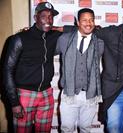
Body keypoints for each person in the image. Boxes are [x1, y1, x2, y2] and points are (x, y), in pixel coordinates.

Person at [55, 5, 123, 133]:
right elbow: (87, 29)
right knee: (114, 129)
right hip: (116, 92)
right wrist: (54, 28)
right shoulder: (113, 33)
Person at [3, 2, 61, 132]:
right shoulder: (19, 39)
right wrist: (14, 102)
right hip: (24, 95)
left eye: (51, 16)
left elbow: (76, 30)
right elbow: (7, 70)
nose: (48, 20)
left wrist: (57, 28)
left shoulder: (54, 36)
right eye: (44, 16)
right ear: (35, 18)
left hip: (46, 94)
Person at [56, 8, 104, 133]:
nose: (88, 23)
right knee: (66, 129)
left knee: (86, 129)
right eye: (84, 20)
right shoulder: (64, 39)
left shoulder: (100, 41)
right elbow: (44, 47)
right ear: (77, 22)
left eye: (91, 20)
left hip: (90, 95)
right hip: (69, 93)